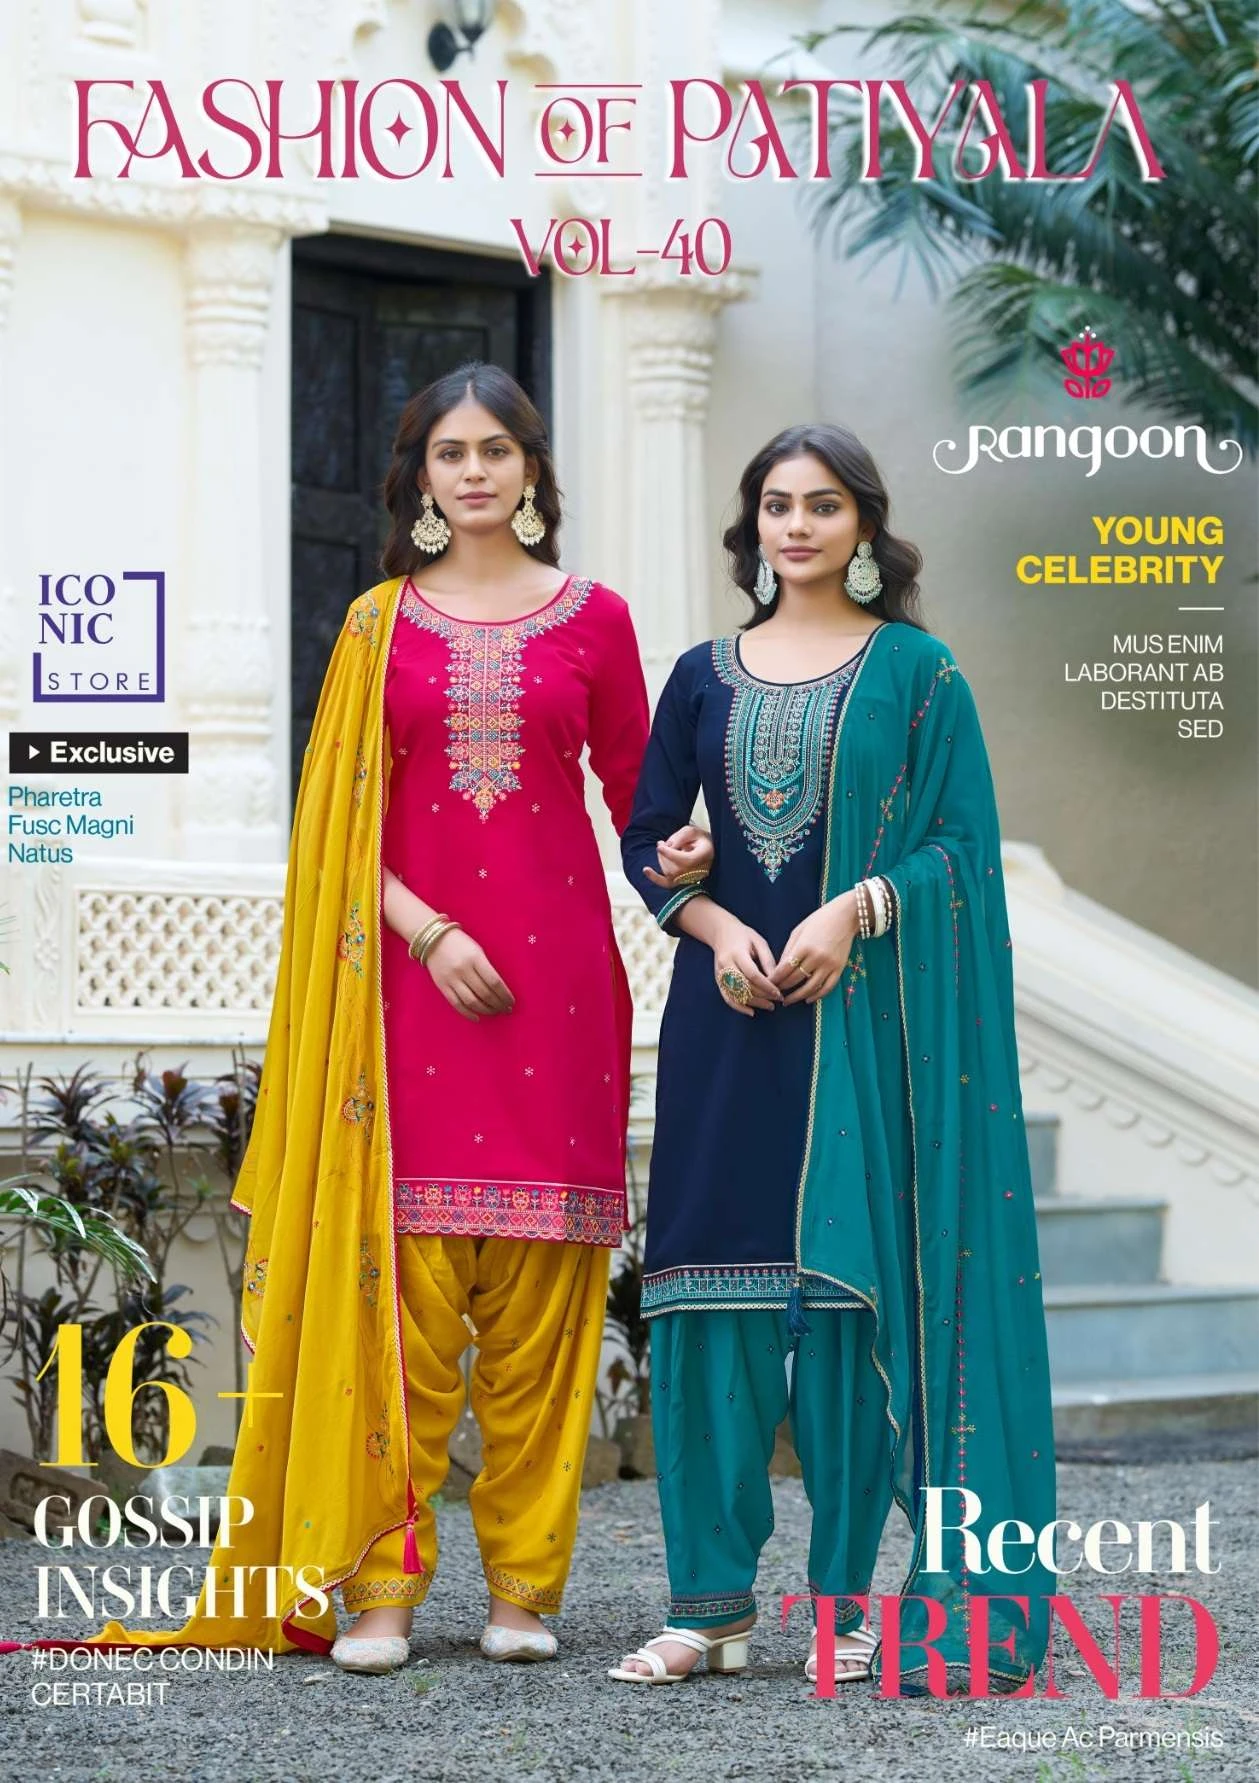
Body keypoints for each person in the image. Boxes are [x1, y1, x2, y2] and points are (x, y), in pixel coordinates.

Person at [87, 362, 711, 1672]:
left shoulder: (596, 620)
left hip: (558, 998)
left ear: (530, 469)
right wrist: (426, 930)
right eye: (448, 452)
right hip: (411, 1001)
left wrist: (691, 856)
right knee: (403, 1311)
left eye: (494, 450)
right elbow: (332, 830)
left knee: (544, 1314)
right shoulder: (378, 624)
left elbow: (635, 798)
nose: (472, 471)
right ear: (419, 476)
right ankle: (378, 1586)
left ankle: (524, 1590)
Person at [611, 425, 1055, 1694]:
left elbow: (959, 849)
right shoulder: (699, 675)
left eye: (819, 505)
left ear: (862, 524)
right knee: (707, 1305)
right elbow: (648, 835)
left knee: (845, 1307)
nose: (794, 526)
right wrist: (706, 911)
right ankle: (706, 1608)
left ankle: (841, 1609)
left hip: (858, 1036)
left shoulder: (917, 672)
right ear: (750, 526)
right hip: (726, 1024)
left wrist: (851, 910)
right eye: (774, 505)